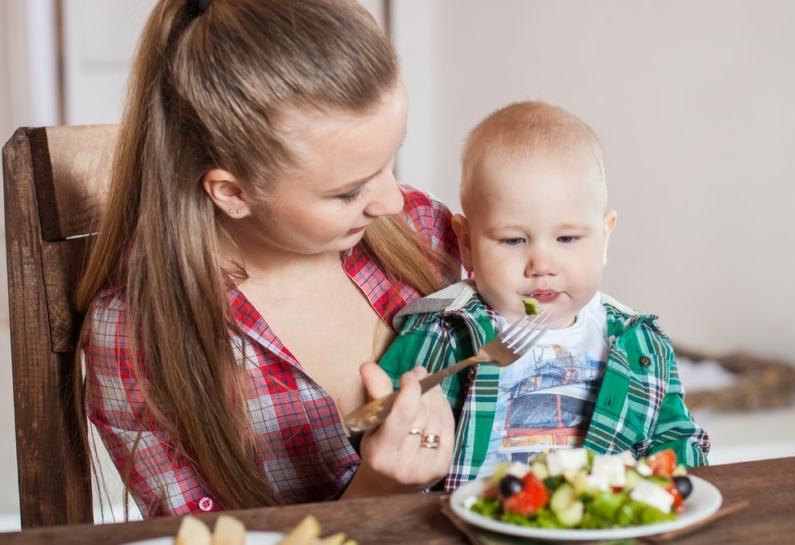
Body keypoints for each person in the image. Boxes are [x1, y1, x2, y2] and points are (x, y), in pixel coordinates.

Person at [75, 0, 462, 518]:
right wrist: (376, 492)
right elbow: (209, 534)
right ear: (232, 192)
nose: (393, 201)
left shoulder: (422, 230)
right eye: (348, 192)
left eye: (389, 158)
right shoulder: (137, 337)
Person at [380, 100, 710, 491]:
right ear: (466, 244)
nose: (542, 264)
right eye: (513, 239)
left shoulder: (642, 343)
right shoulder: (444, 332)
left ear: (604, 237)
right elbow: (389, 434)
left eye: (567, 238)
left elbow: (677, 440)